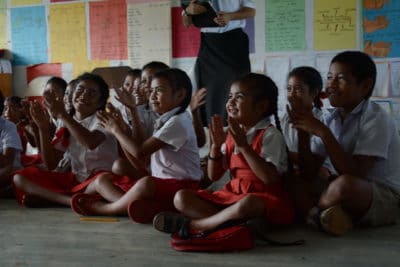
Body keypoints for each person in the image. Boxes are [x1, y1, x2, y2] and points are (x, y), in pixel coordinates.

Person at [153, 73, 294, 236]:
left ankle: (195, 224)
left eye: (239, 97)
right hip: (233, 195)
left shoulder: (270, 135)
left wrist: (244, 147)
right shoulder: (230, 134)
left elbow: (269, 178)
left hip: (261, 199)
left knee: (247, 204)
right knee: (181, 198)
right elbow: (214, 175)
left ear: (261, 106)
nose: (231, 102)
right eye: (230, 97)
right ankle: (240, 225)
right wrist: (215, 147)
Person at [288, 51, 400, 236]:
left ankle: (315, 214)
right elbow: (309, 172)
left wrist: (324, 133)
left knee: (344, 185)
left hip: (382, 196)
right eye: (330, 77)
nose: (331, 85)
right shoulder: (330, 117)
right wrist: (302, 132)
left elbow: (356, 174)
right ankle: (327, 216)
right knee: (291, 179)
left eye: (340, 79)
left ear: (365, 85)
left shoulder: (376, 118)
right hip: (339, 188)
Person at [70, 68, 202, 223]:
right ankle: (139, 207)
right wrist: (123, 124)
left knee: (146, 183)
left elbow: (139, 152)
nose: (152, 96)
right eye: (151, 91)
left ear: (179, 94)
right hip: (162, 184)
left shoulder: (178, 122)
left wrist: (116, 130)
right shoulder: (166, 119)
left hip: (183, 186)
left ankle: (108, 209)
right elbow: (139, 161)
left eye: (158, 90)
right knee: (105, 180)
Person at [12, 73, 119, 207]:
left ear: (100, 102)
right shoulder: (66, 121)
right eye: (79, 90)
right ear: (72, 95)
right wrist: (43, 129)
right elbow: (51, 164)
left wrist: (62, 114)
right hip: (75, 181)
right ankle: (68, 201)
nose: (84, 96)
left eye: (91, 93)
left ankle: (54, 199)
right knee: (20, 177)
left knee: (102, 183)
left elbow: (90, 142)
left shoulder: (103, 119)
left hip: (99, 180)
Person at [182, 0, 256, 125]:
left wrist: (230, 16)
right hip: (208, 45)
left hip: (234, 42)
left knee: (237, 91)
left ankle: (238, 137)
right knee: (209, 98)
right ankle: (215, 140)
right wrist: (187, 11)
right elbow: (186, 23)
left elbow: (251, 11)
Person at [281, 66, 324, 168]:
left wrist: (282, 154)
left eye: (298, 89)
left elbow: (314, 160)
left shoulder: (322, 120)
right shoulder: (285, 118)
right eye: (289, 89)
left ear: (314, 92)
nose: (292, 95)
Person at [0, 94, 23, 197]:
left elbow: (6, 163)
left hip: (7, 170)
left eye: (13, 108)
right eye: (6, 108)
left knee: (10, 173)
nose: (8, 112)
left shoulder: (8, 126)